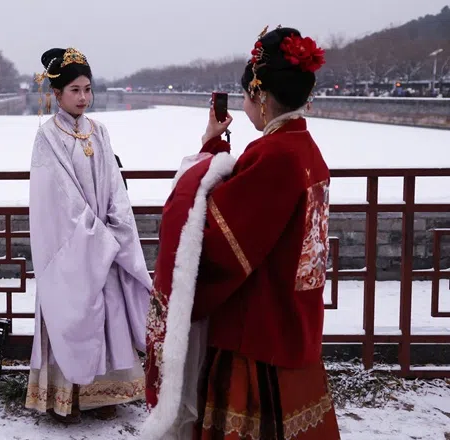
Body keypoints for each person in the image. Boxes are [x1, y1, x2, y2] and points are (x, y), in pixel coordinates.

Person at [142, 27, 340, 440]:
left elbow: (218, 244)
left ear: (262, 96)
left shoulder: (273, 156)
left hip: (259, 332)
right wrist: (215, 151)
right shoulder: (304, 148)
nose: (248, 105)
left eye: (249, 96)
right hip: (294, 317)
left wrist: (198, 165)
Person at [25, 47, 152, 424]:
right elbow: (57, 199)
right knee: (72, 310)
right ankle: (67, 398)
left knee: (107, 311)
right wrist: (93, 236)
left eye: (87, 89)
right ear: (57, 94)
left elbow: (115, 187)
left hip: (104, 240)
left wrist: (115, 229)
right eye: (75, 90)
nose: (83, 97)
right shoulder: (48, 137)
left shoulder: (100, 131)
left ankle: (106, 394)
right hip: (73, 246)